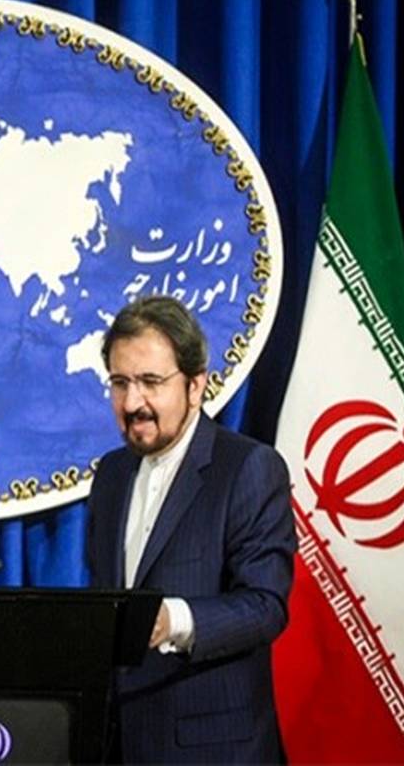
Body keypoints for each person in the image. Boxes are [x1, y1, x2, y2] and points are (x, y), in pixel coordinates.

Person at [86, 295, 296, 763]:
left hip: (213, 749)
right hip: (122, 746)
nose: (132, 402)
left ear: (195, 385)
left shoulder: (248, 468)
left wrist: (172, 622)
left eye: (150, 382)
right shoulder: (111, 475)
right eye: (119, 383)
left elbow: (266, 605)